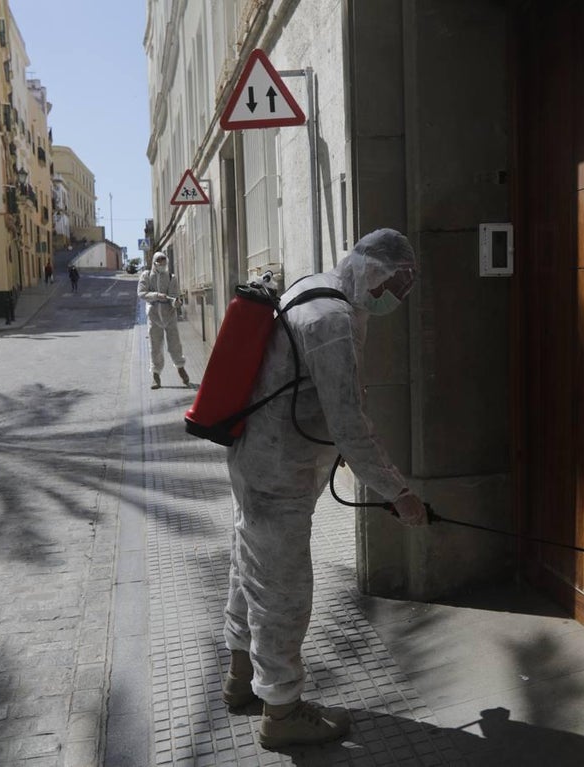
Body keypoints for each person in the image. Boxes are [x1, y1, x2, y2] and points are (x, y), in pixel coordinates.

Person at [221, 228, 427, 749]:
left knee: (251, 568)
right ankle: (282, 712)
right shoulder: (332, 321)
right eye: (392, 286)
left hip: (259, 462)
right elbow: (349, 424)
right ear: (370, 270)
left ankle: (241, 679)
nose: (392, 300)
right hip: (279, 474)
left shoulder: (312, 289)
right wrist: (398, 493)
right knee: (284, 592)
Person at [137, 252, 190, 389]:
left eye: (164, 262)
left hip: (169, 316)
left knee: (175, 344)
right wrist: (155, 295)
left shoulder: (171, 277)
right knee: (155, 346)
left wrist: (175, 303)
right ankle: (156, 375)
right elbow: (141, 293)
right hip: (154, 316)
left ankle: (180, 368)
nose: (162, 264)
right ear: (154, 263)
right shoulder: (146, 276)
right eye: (159, 262)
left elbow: (173, 296)